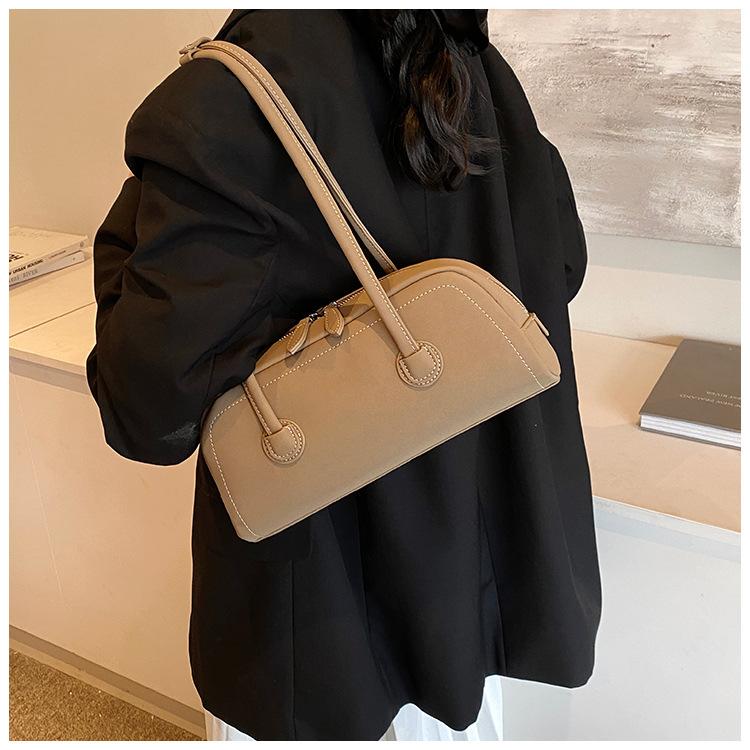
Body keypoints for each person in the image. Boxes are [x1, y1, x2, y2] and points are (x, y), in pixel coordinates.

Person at [86, 9, 602, 741]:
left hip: (323, 623)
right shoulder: (464, 62)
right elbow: (561, 266)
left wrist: (120, 244)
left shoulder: (224, 99)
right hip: (472, 585)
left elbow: (145, 410)